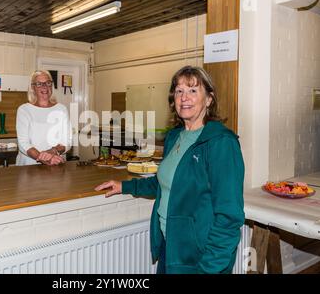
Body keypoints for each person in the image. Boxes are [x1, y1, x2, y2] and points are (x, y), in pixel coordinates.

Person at [95, 66, 245, 274]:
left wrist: (210, 268)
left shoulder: (221, 143)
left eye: (193, 90)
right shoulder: (175, 136)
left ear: (209, 99)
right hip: (170, 246)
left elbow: (229, 216)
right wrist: (126, 186)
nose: (184, 97)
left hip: (200, 257)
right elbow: (163, 182)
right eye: (179, 91)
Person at [16, 70, 72, 166]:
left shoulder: (61, 109)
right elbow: (23, 143)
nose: (45, 86)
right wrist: (43, 158)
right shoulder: (24, 110)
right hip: (29, 166)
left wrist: (52, 151)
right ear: (33, 88)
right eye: (39, 84)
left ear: (51, 86)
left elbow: (67, 141)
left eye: (48, 83)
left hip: (56, 163)